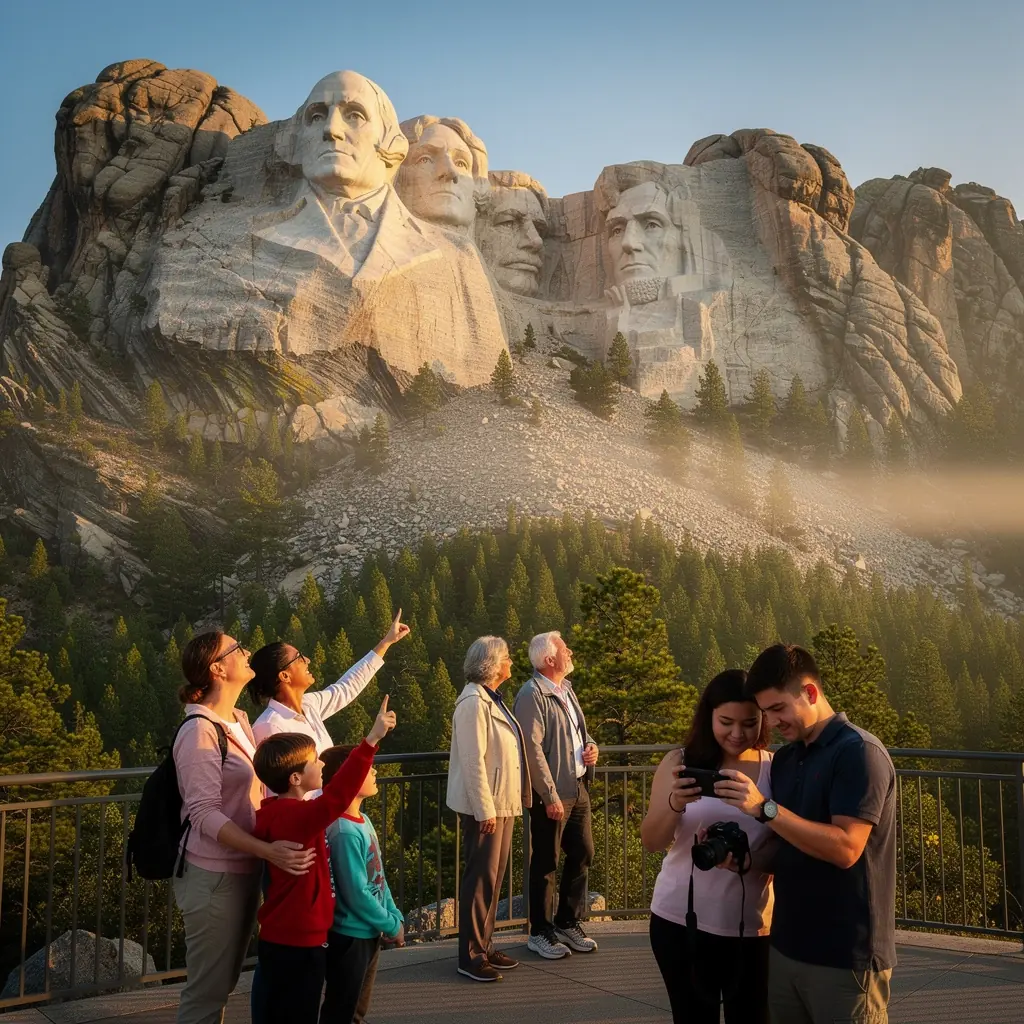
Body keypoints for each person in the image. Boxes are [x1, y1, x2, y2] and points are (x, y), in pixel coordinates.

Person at [716, 644, 897, 1024]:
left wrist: (764, 807)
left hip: (845, 956)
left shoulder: (858, 753)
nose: (772, 722)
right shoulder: (786, 758)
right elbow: (787, 841)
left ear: (810, 693)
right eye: (766, 713)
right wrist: (744, 859)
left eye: (778, 709)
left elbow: (847, 848)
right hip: (785, 947)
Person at [172, 631, 316, 1024]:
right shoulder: (199, 731)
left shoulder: (237, 721)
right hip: (214, 877)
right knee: (206, 994)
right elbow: (203, 813)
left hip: (242, 869)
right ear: (217, 669)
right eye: (237, 649)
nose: (248, 652)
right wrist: (267, 850)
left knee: (224, 983)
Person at [251, 697, 397, 1024]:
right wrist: (370, 740)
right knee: (300, 1012)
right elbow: (338, 795)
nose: (321, 766)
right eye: (314, 761)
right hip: (303, 939)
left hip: (277, 935)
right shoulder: (300, 817)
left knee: (277, 1008)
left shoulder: (269, 814)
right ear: (295, 778)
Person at [641, 669, 773, 1024]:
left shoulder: (775, 770)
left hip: (751, 926)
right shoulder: (680, 762)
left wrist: (746, 860)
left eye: (749, 723)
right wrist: (674, 804)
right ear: (708, 716)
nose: (737, 733)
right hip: (678, 920)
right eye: (726, 722)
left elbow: (783, 852)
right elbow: (652, 842)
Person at [446, 636, 531, 982]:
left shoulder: (491, 700)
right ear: (493, 665)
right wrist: (485, 810)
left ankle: (484, 944)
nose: (511, 662)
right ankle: (469, 955)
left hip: (502, 803)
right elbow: (472, 762)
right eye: (507, 657)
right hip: (487, 807)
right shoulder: (472, 703)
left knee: (493, 880)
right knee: (481, 878)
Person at [513, 631, 599, 959]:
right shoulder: (531, 695)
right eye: (565, 649)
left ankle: (566, 922)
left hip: (577, 788)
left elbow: (581, 732)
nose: (571, 651)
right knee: (547, 862)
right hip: (552, 794)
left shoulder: (565, 689)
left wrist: (591, 747)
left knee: (582, 853)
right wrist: (548, 796)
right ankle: (540, 931)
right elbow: (531, 750)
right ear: (550, 660)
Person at [319, 743, 404, 1022]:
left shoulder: (363, 820)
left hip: (369, 931)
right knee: (342, 1007)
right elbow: (356, 892)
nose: (375, 772)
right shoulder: (343, 831)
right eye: (368, 769)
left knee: (357, 1006)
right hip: (350, 935)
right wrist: (390, 924)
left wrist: (393, 915)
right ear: (350, 777)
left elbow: (377, 876)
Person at [249, 610, 409, 755]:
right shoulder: (270, 727)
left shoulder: (308, 705)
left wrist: (386, 642)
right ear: (285, 676)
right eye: (299, 657)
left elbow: (345, 688)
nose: (307, 660)